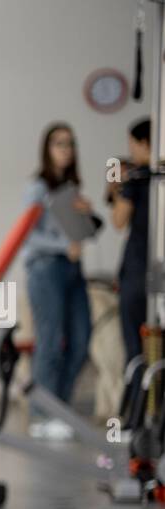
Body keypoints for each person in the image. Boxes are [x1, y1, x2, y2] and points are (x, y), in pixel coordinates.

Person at [21, 123, 93, 441]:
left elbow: (78, 234)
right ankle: (41, 415)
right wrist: (65, 246)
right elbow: (28, 238)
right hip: (45, 269)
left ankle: (58, 410)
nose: (65, 149)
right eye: (58, 143)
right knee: (50, 343)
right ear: (47, 149)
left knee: (81, 340)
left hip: (72, 271)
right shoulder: (38, 188)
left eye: (70, 144)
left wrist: (86, 217)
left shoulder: (72, 188)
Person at [108, 118, 152, 363]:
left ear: (144, 143)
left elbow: (118, 221)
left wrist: (116, 188)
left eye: (132, 144)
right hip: (157, 274)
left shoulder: (135, 180)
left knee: (136, 351)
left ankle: (139, 398)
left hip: (137, 273)